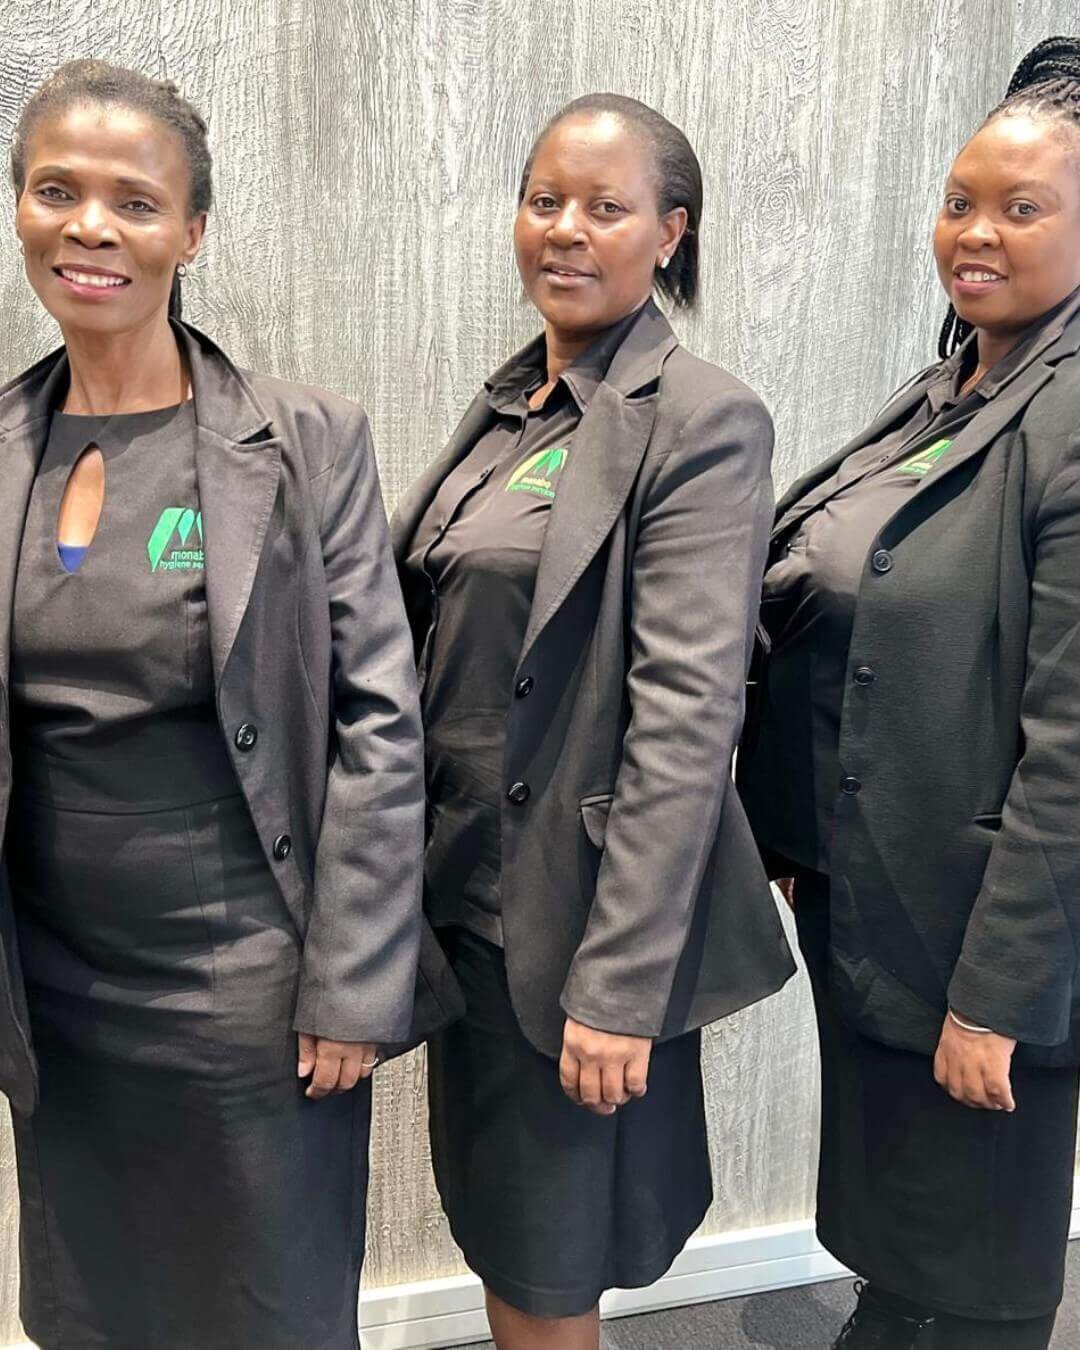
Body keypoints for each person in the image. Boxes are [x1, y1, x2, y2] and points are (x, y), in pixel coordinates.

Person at [0, 58, 450, 1350]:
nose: (92, 226)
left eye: (135, 202)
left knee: (266, 1308)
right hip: (57, 988)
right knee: (94, 1306)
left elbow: (379, 715)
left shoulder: (304, 441)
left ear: (192, 232)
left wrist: (355, 982)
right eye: (56, 190)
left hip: (247, 982)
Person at [393, 94, 795, 1350]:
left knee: (547, 1266)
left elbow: (687, 716)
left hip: (569, 928)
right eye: (543, 200)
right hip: (462, 908)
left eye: (605, 207)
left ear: (669, 232)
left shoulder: (700, 418)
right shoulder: (512, 406)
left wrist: (619, 990)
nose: (564, 230)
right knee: (510, 1237)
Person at [738, 34, 1080, 1350]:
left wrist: (999, 995)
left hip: (980, 943)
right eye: (959, 200)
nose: (974, 233)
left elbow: (1069, 750)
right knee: (906, 1231)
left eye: (1021, 208)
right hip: (874, 901)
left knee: (981, 1270)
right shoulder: (952, 389)